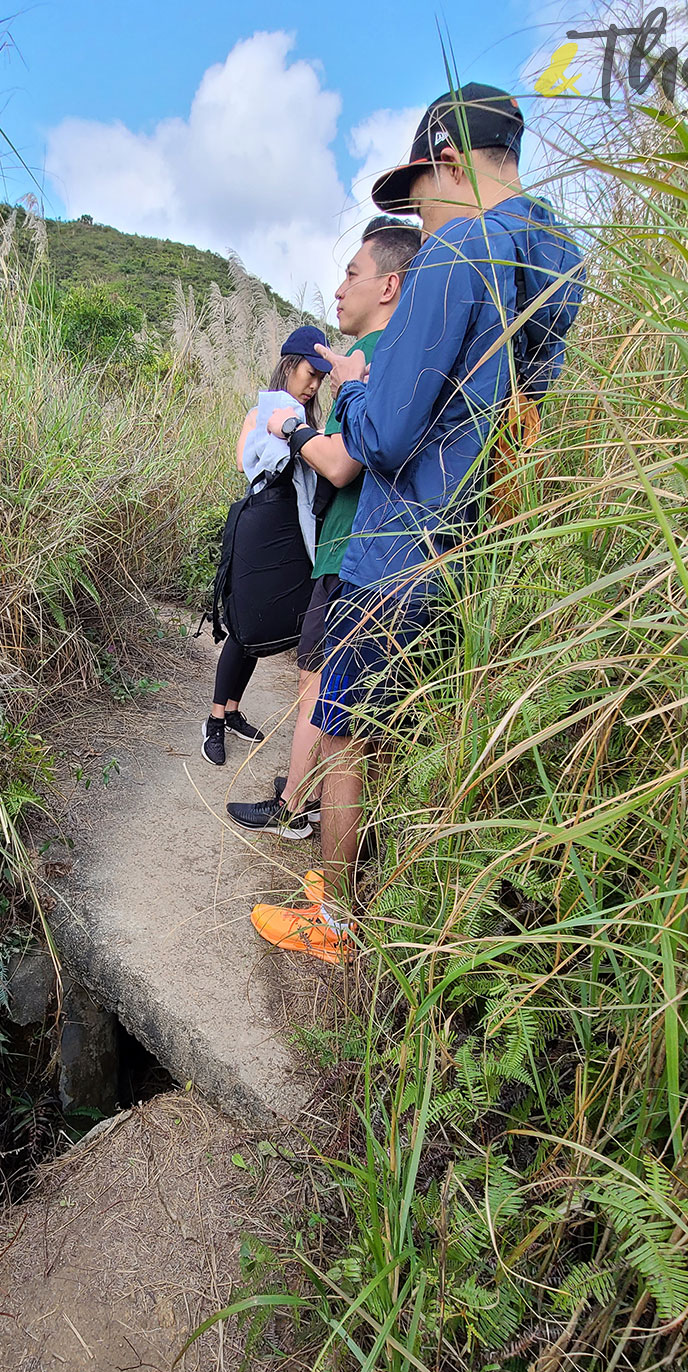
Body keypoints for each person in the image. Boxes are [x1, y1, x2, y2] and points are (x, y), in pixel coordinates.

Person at [250, 82, 585, 962]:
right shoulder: (561, 255)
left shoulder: (457, 245)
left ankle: (333, 924)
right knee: (415, 733)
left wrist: (353, 389)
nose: (421, 216)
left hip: (401, 542)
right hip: (484, 548)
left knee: (353, 734)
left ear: (445, 158)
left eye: (419, 195)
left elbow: (392, 432)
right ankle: (399, 913)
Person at [224, 219, 422, 837]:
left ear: (389, 285)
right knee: (324, 684)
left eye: (351, 274)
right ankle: (296, 798)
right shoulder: (373, 359)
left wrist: (294, 432)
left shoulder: (374, 359)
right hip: (349, 550)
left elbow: (340, 464)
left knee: (326, 690)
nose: (339, 288)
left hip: (356, 553)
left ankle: (296, 810)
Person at [202, 327, 330, 767]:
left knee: (257, 626)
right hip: (260, 525)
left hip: (282, 526)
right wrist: (279, 429)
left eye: (320, 380)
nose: (313, 385)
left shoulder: (291, 418)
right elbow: (248, 464)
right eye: (310, 374)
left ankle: (233, 710)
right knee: (244, 627)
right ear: (289, 364)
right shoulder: (274, 412)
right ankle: (214, 720)